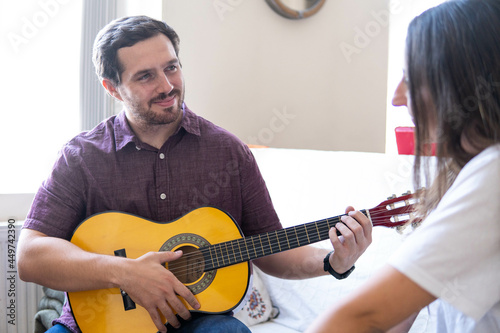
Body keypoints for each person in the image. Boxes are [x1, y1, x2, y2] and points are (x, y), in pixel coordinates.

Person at [16, 16, 372, 333]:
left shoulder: (228, 152)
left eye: (171, 67)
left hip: (200, 321)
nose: (167, 85)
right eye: (145, 76)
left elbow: (270, 247)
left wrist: (332, 261)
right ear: (112, 88)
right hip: (99, 324)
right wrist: (123, 272)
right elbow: (30, 256)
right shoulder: (81, 157)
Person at [306, 0, 500, 332]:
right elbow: (398, 315)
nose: (396, 97)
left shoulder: (492, 173)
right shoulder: (462, 175)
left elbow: (363, 317)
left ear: (457, 84)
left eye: (411, 79)